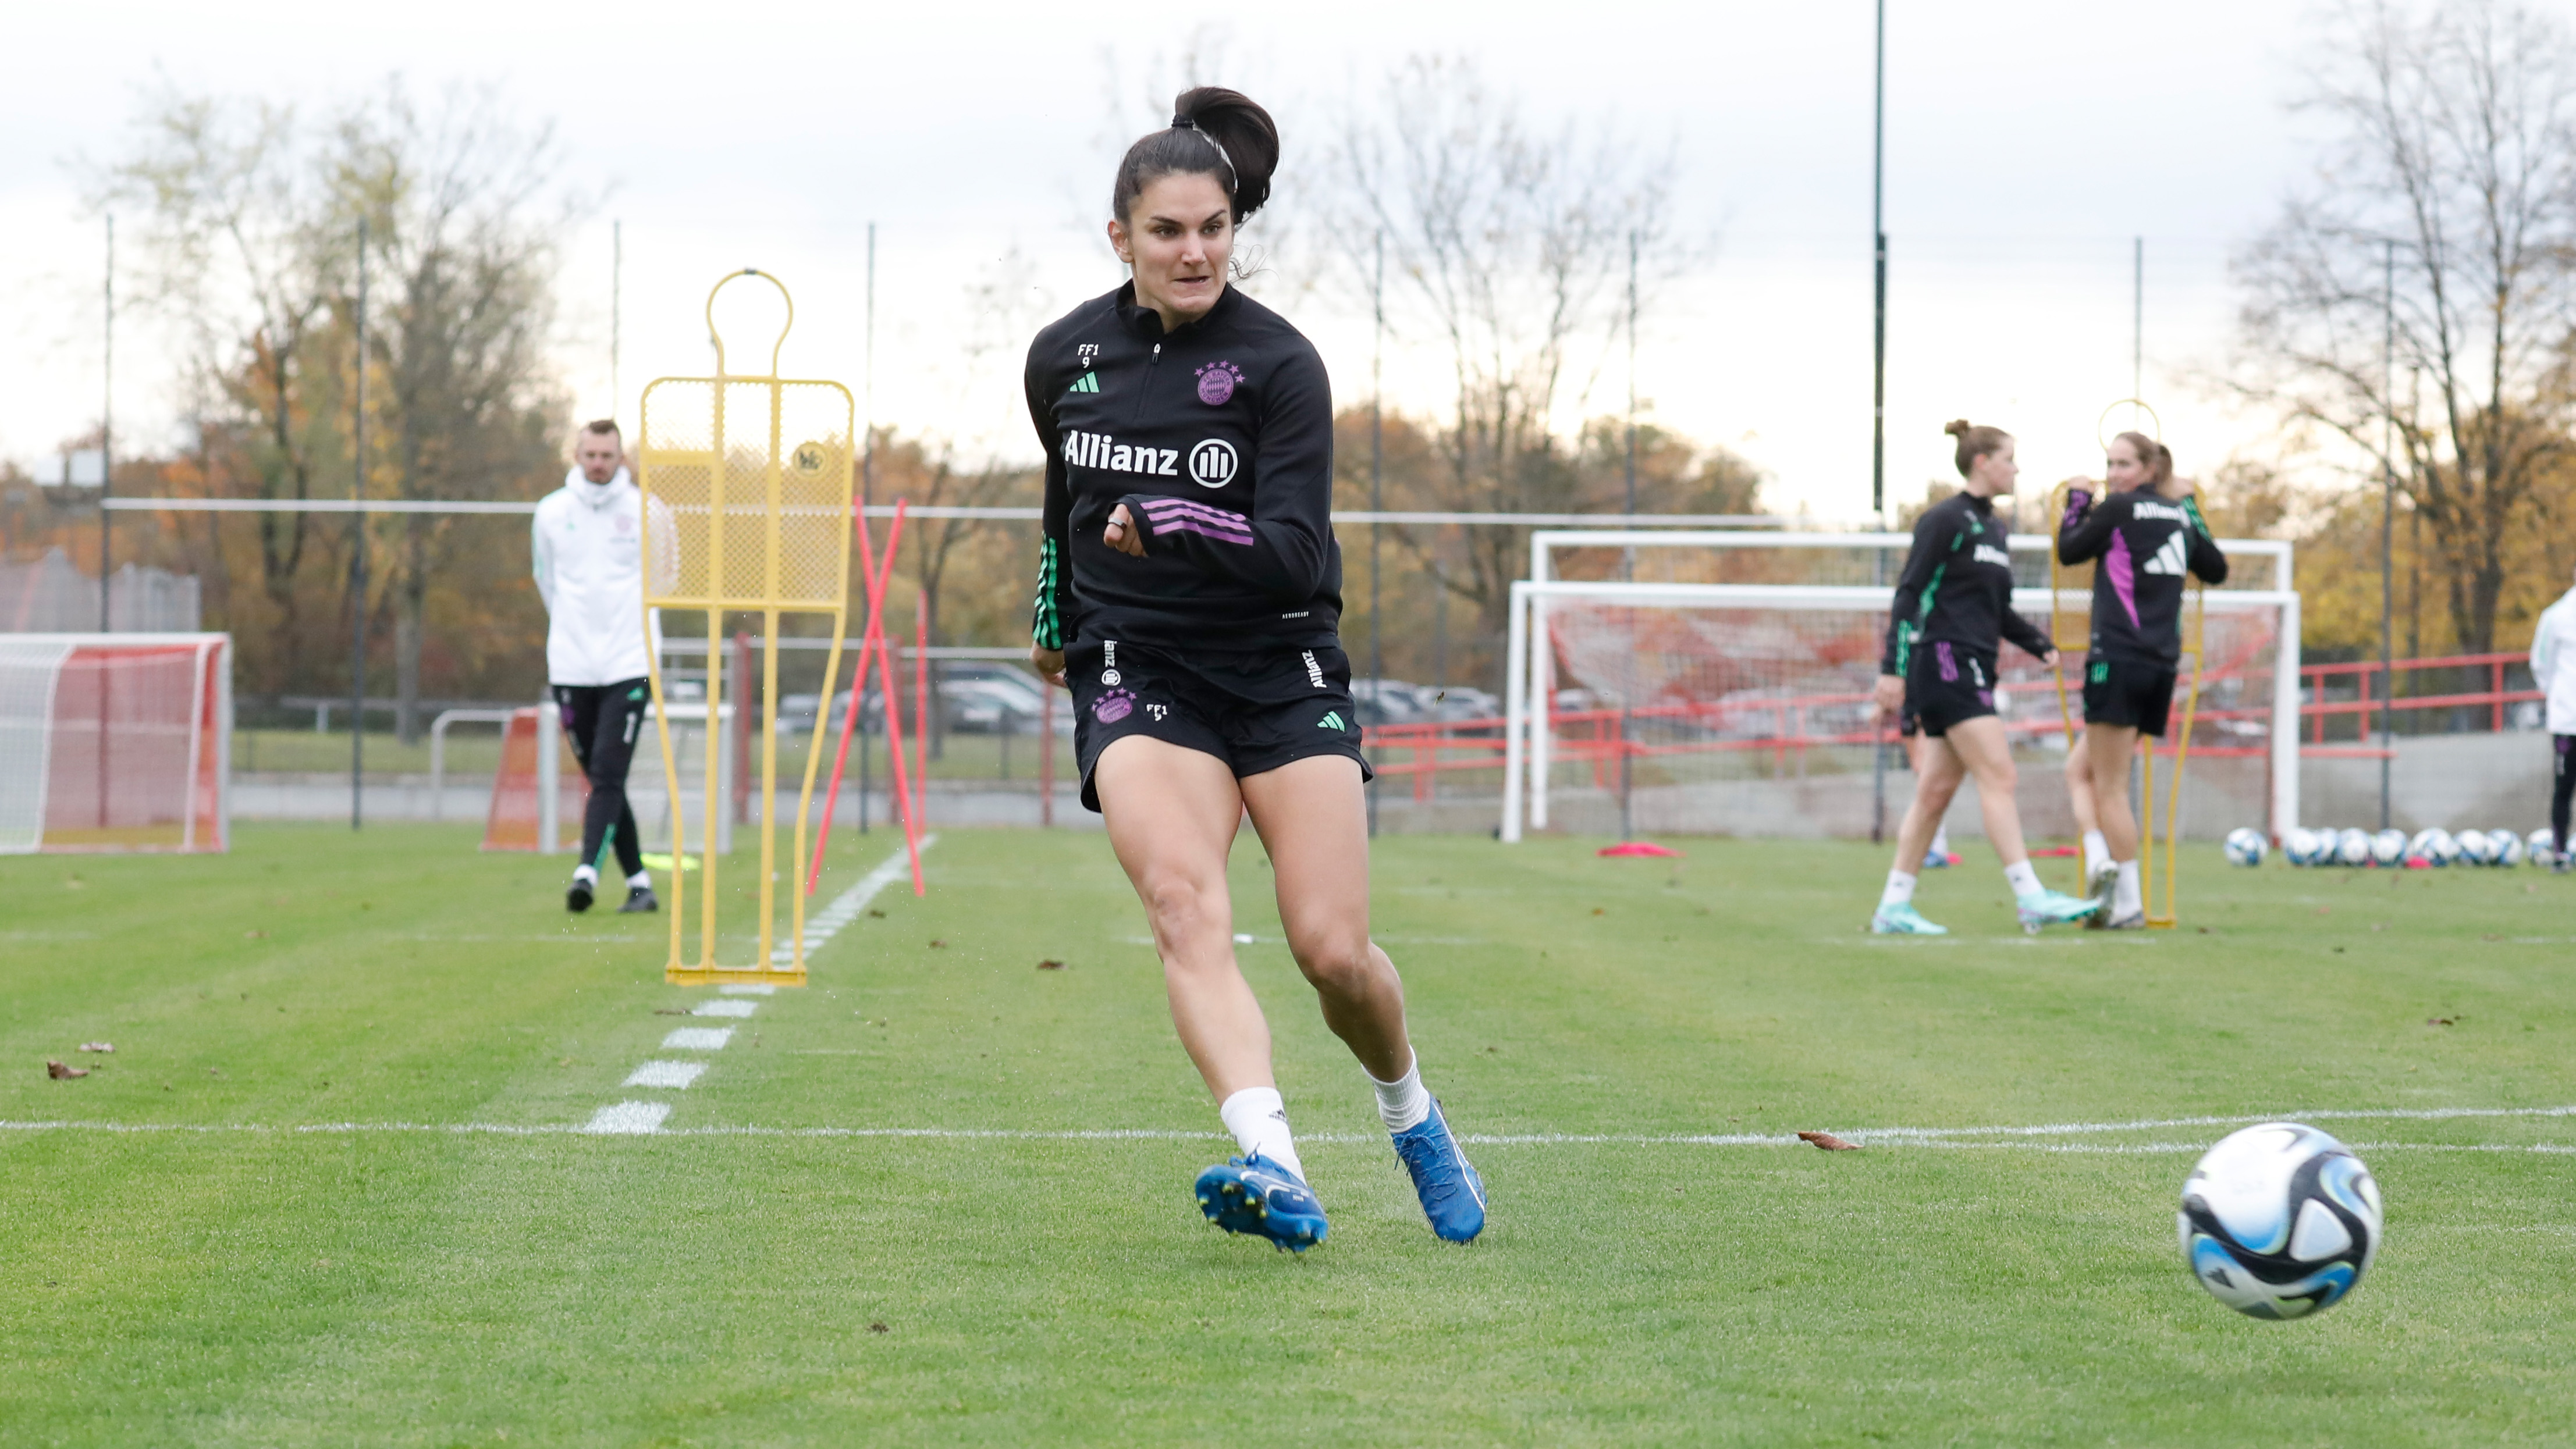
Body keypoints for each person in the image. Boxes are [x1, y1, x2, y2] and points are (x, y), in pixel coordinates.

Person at [1024, 87, 1483, 1250]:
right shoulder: (1059, 359)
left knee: (1331, 949)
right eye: (1167, 231)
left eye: (1211, 229)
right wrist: (1051, 612)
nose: (1192, 251)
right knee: (1184, 908)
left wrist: (1170, 516)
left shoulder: (1282, 365)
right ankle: (1271, 1162)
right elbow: (1061, 507)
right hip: (1137, 666)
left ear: (1234, 228)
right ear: (1118, 234)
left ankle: (1411, 1112)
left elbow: (1289, 552)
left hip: (1278, 664)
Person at [1870, 421, 2101, 935]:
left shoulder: (1995, 528)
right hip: (1945, 661)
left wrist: (2039, 644)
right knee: (2000, 775)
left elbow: (1998, 610)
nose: (2015, 468)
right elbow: (1908, 594)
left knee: (1934, 792)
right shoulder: (1943, 520)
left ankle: (1892, 906)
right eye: (2009, 458)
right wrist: (1892, 668)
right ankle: (2030, 896)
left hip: (1973, 661)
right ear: (1982, 462)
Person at [2056, 432, 2230, 926]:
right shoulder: (2179, 515)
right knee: (2078, 771)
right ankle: (2100, 860)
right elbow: (2215, 569)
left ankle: (2127, 898)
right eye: (2109, 464)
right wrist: (2191, 505)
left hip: (2116, 658)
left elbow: (2069, 549)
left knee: (2109, 787)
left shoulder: (2116, 510)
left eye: (2123, 464)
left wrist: (2076, 501)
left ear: (2151, 468)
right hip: (2159, 667)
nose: (2113, 474)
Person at [532, 419, 658, 914]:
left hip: (629, 661)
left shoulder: (648, 512)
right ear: (577, 456)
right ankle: (641, 883)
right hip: (571, 664)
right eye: (591, 455)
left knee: (608, 772)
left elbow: (664, 579)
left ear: (621, 456)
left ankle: (586, 869)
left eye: (608, 455)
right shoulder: (550, 513)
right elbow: (546, 580)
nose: (599, 463)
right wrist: (571, 632)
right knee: (604, 779)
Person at [2529, 563, 2576, 873]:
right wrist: (2556, 695)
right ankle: (2559, 853)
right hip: (2567, 720)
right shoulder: (2556, 616)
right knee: (2564, 788)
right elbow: (2540, 661)